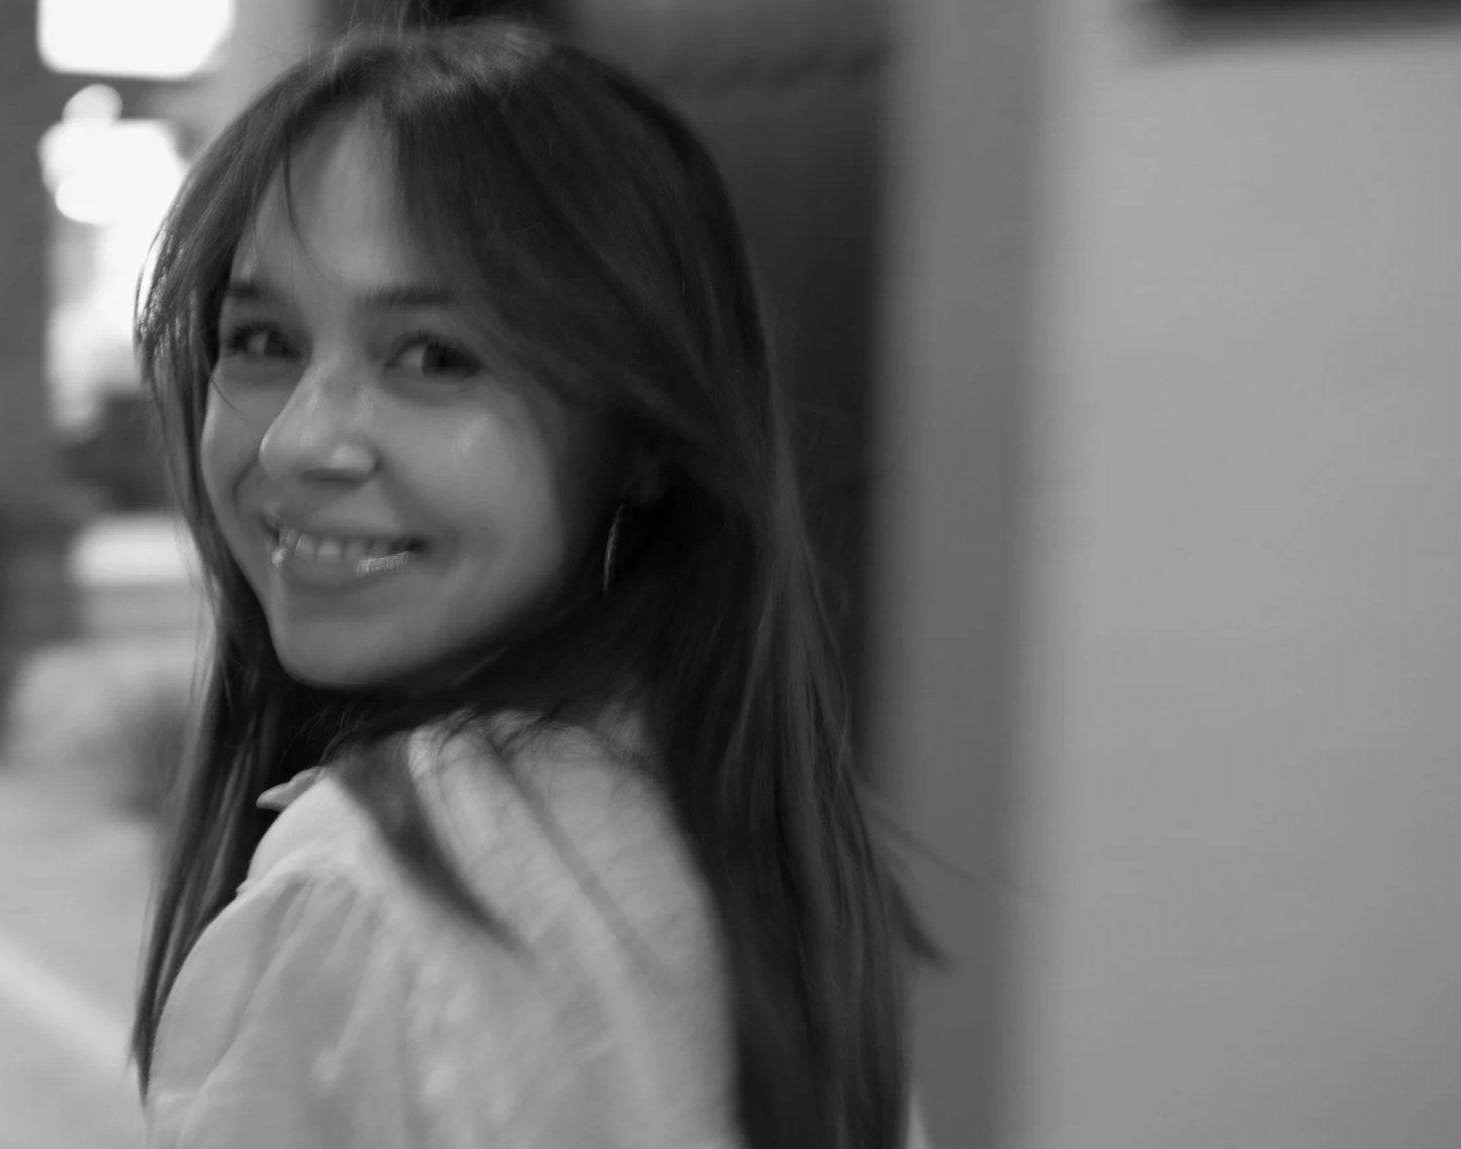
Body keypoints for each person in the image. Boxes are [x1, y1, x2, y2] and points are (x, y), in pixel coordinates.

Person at [131, 20, 931, 1149]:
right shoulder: (762, 850)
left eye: (434, 356)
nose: (297, 442)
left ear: (641, 433)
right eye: (262, 339)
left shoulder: (366, 892)